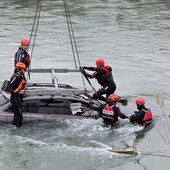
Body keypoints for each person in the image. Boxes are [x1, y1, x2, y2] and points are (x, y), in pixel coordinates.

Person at [8, 62, 27, 128]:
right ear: (19, 69)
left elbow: (23, 83)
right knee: (19, 115)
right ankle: (18, 129)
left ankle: (15, 126)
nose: (25, 70)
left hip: (19, 96)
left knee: (17, 115)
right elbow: (9, 87)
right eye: (23, 69)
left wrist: (23, 90)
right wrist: (14, 91)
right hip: (15, 97)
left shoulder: (21, 76)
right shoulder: (15, 77)